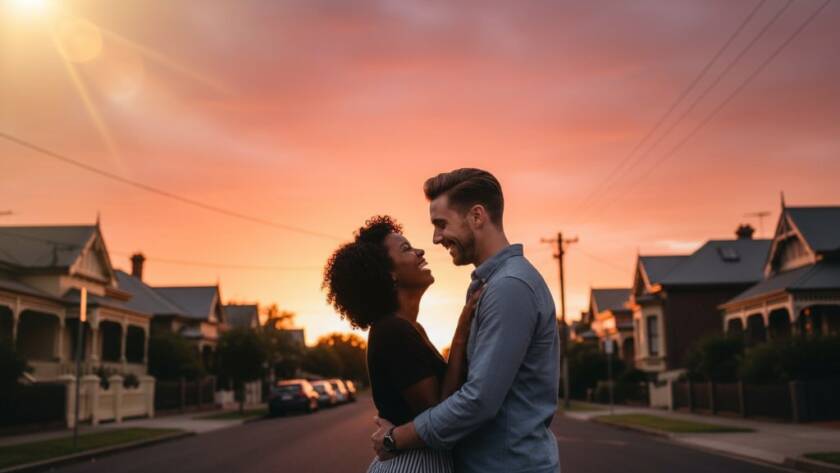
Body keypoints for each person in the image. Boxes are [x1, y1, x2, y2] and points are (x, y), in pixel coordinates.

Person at [370, 168, 561, 473]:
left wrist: (396, 438)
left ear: (476, 216)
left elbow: (478, 402)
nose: (435, 238)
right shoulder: (490, 285)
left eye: (441, 224)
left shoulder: (510, 286)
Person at [323, 215, 483, 473]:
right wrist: (462, 330)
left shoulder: (406, 328)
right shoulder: (392, 331)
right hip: (413, 465)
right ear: (390, 274)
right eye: (407, 249)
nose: (420, 251)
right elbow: (438, 415)